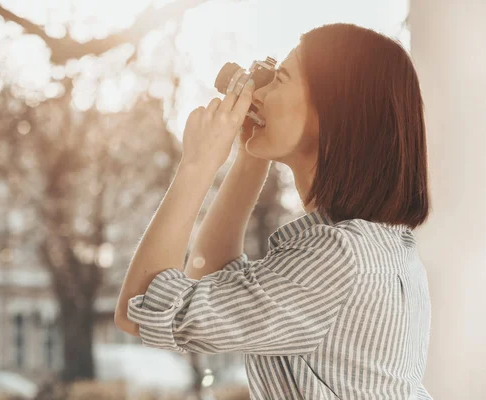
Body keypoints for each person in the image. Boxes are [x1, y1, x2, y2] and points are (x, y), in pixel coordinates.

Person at [115, 22, 431, 399]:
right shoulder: (379, 244)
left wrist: (197, 165)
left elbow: (144, 309)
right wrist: (249, 159)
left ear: (332, 111)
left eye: (279, 78)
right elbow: (213, 279)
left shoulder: (335, 257)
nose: (258, 93)